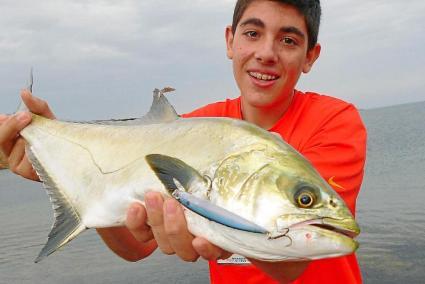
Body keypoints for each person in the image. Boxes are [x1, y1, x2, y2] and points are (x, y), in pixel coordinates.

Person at [0, 0, 366, 283]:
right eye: (252, 33)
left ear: (310, 57)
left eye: (288, 40)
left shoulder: (335, 121)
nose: (266, 53)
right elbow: (135, 247)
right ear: (230, 41)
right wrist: (72, 179)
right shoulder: (191, 127)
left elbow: (294, 261)